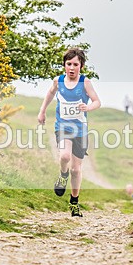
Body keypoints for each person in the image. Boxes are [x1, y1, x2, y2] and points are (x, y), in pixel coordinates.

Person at [37, 48, 101, 217]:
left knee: (76, 170)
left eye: (75, 65)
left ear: (81, 66)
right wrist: (42, 111)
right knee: (64, 156)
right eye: (69, 64)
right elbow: (50, 94)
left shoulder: (85, 82)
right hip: (63, 127)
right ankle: (62, 175)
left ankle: (74, 202)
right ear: (64, 65)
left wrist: (88, 107)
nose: (72, 68)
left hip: (80, 130)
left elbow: (97, 101)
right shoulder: (58, 81)